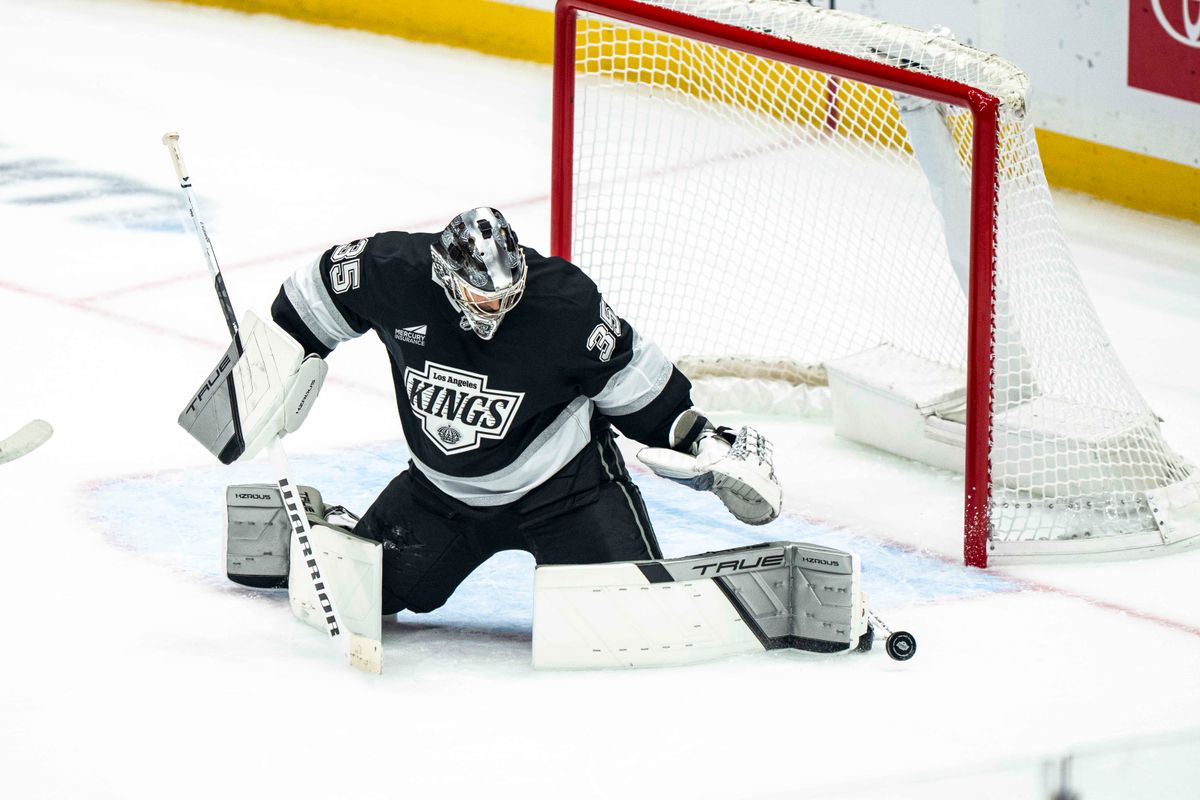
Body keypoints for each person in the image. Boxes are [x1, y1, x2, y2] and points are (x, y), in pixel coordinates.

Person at [253, 207, 782, 616]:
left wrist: (704, 442)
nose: (496, 306)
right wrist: (277, 361)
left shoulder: (563, 305)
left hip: (566, 492)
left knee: (625, 613)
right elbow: (315, 292)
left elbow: (636, 384)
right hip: (442, 496)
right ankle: (346, 526)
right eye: (481, 297)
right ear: (444, 275)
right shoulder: (393, 272)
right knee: (360, 597)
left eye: (506, 293)